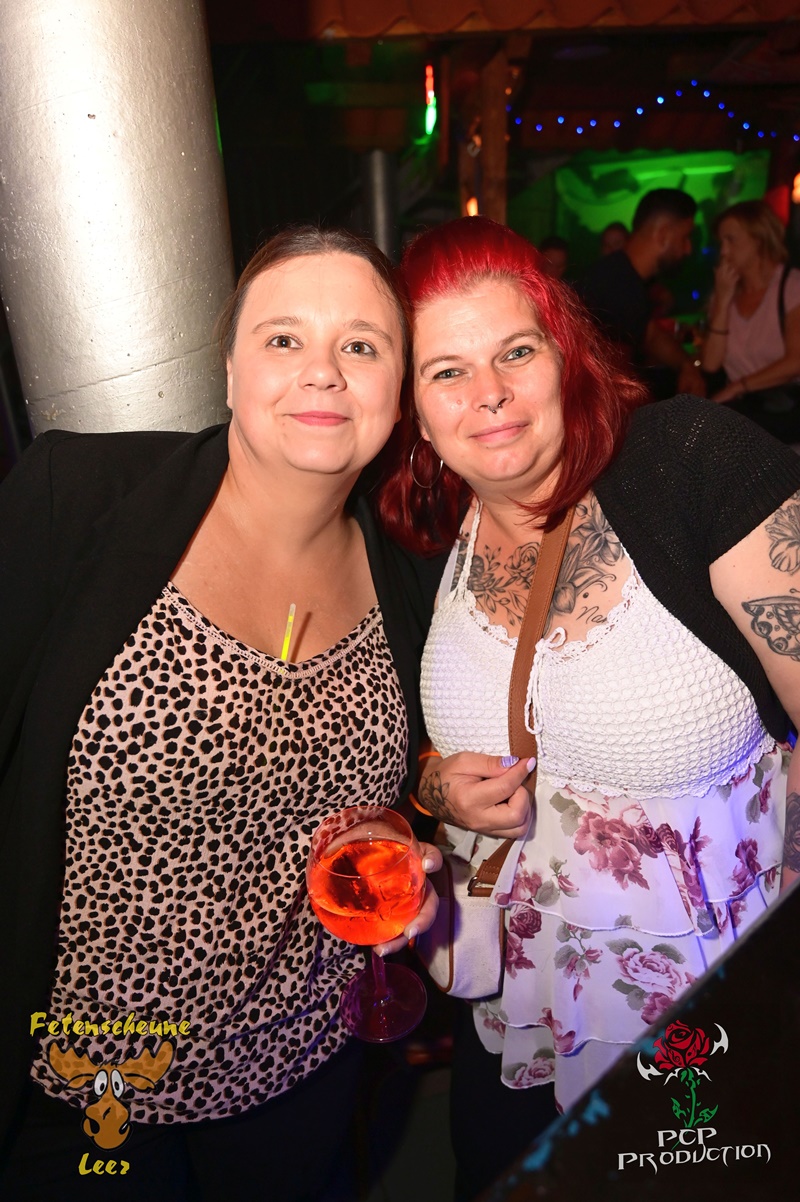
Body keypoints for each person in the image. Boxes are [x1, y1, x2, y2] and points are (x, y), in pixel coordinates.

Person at [0, 226, 444, 1201]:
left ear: (399, 387)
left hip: (301, 1074)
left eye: (361, 344)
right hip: (88, 1086)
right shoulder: (77, 499)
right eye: (284, 338)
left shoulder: (409, 570)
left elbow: (401, 777)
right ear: (231, 369)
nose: (322, 370)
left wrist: (413, 831)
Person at [377, 216, 800, 1200]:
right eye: (447, 371)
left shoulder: (691, 461)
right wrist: (437, 786)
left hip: (702, 1005)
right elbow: (409, 747)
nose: (488, 393)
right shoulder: (420, 534)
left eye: (515, 352)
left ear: (564, 355)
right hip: (511, 1001)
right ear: (415, 413)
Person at [578, 188, 706, 398]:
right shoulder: (617, 285)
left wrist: (686, 365)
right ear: (663, 234)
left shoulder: (626, 277)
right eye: (685, 237)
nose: (688, 249)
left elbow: (651, 334)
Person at [701, 199, 800, 442]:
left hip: (786, 418)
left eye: (731, 240)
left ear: (758, 239)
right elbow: (710, 364)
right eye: (721, 242)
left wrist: (738, 386)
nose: (723, 252)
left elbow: (796, 361)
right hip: (747, 421)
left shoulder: (791, 286)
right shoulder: (724, 293)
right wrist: (723, 301)